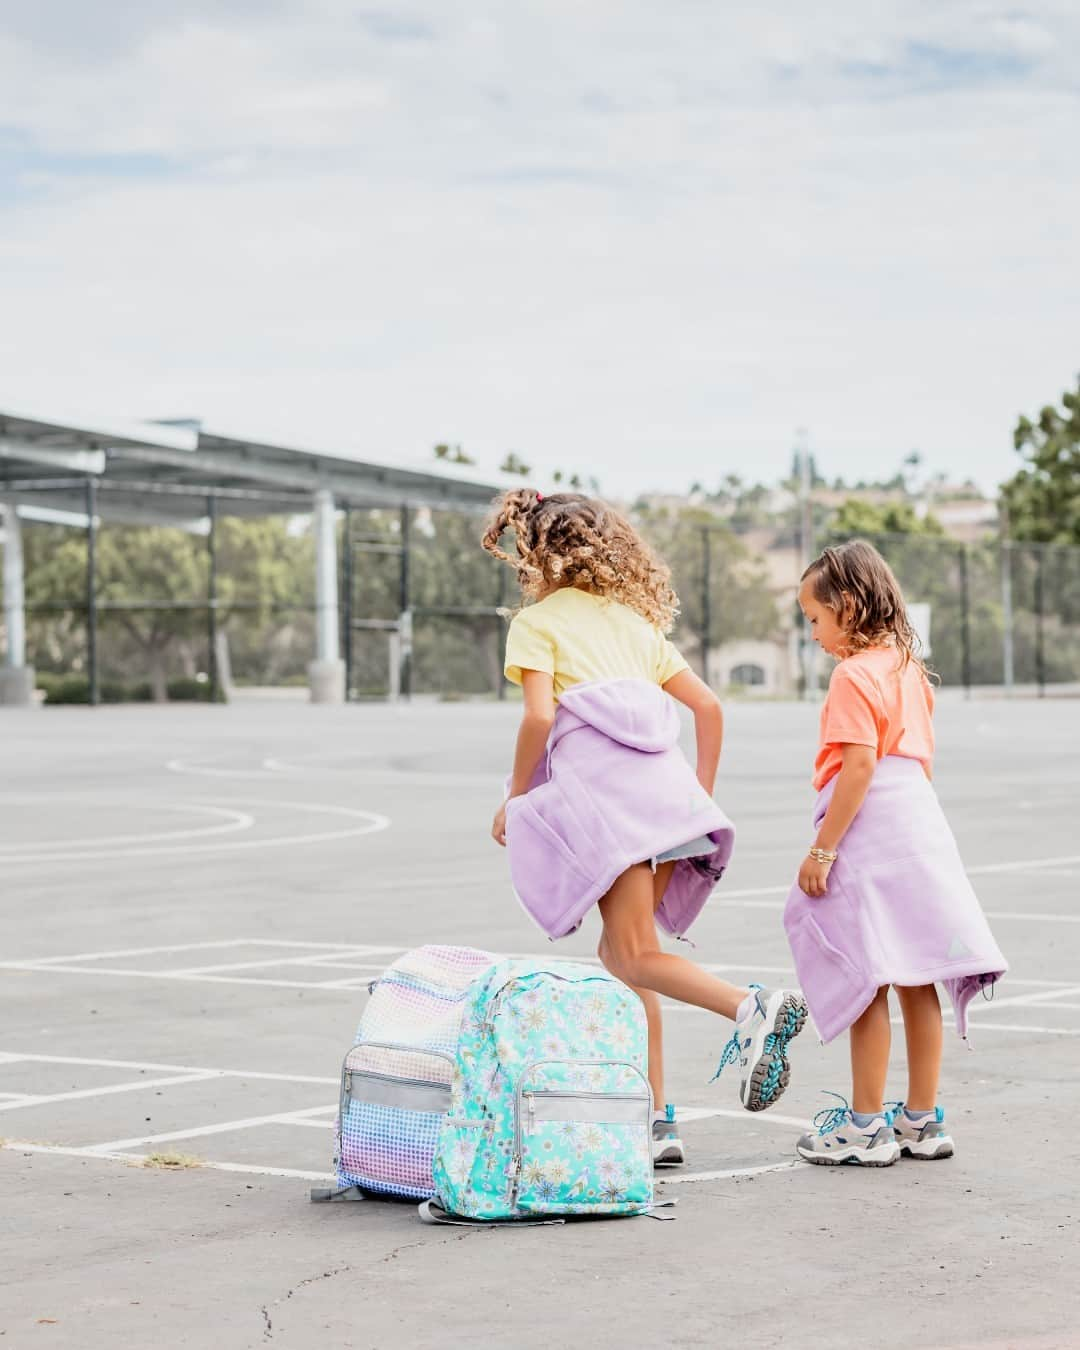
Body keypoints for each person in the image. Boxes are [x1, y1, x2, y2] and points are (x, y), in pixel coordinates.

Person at [482, 488, 809, 1167]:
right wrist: (697, 795)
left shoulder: (539, 624)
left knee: (631, 955)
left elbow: (540, 720)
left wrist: (515, 797)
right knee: (629, 958)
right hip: (668, 806)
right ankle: (655, 1121)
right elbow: (710, 708)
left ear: (536, 554)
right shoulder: (636, 627)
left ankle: (752, 1008)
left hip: (614, 813)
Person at [786, 541, 1008, 1167]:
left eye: (815, 619)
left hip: (871, 831)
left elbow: (859, 766)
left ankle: (862, 1129)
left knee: (868, 978)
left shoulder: (852, 674)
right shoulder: (907, 667)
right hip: (919, 826)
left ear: (848, 608)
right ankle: (920, 1120)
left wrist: (823, 851)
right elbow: (918, 762)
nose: (813, 634)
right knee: (920, 978)